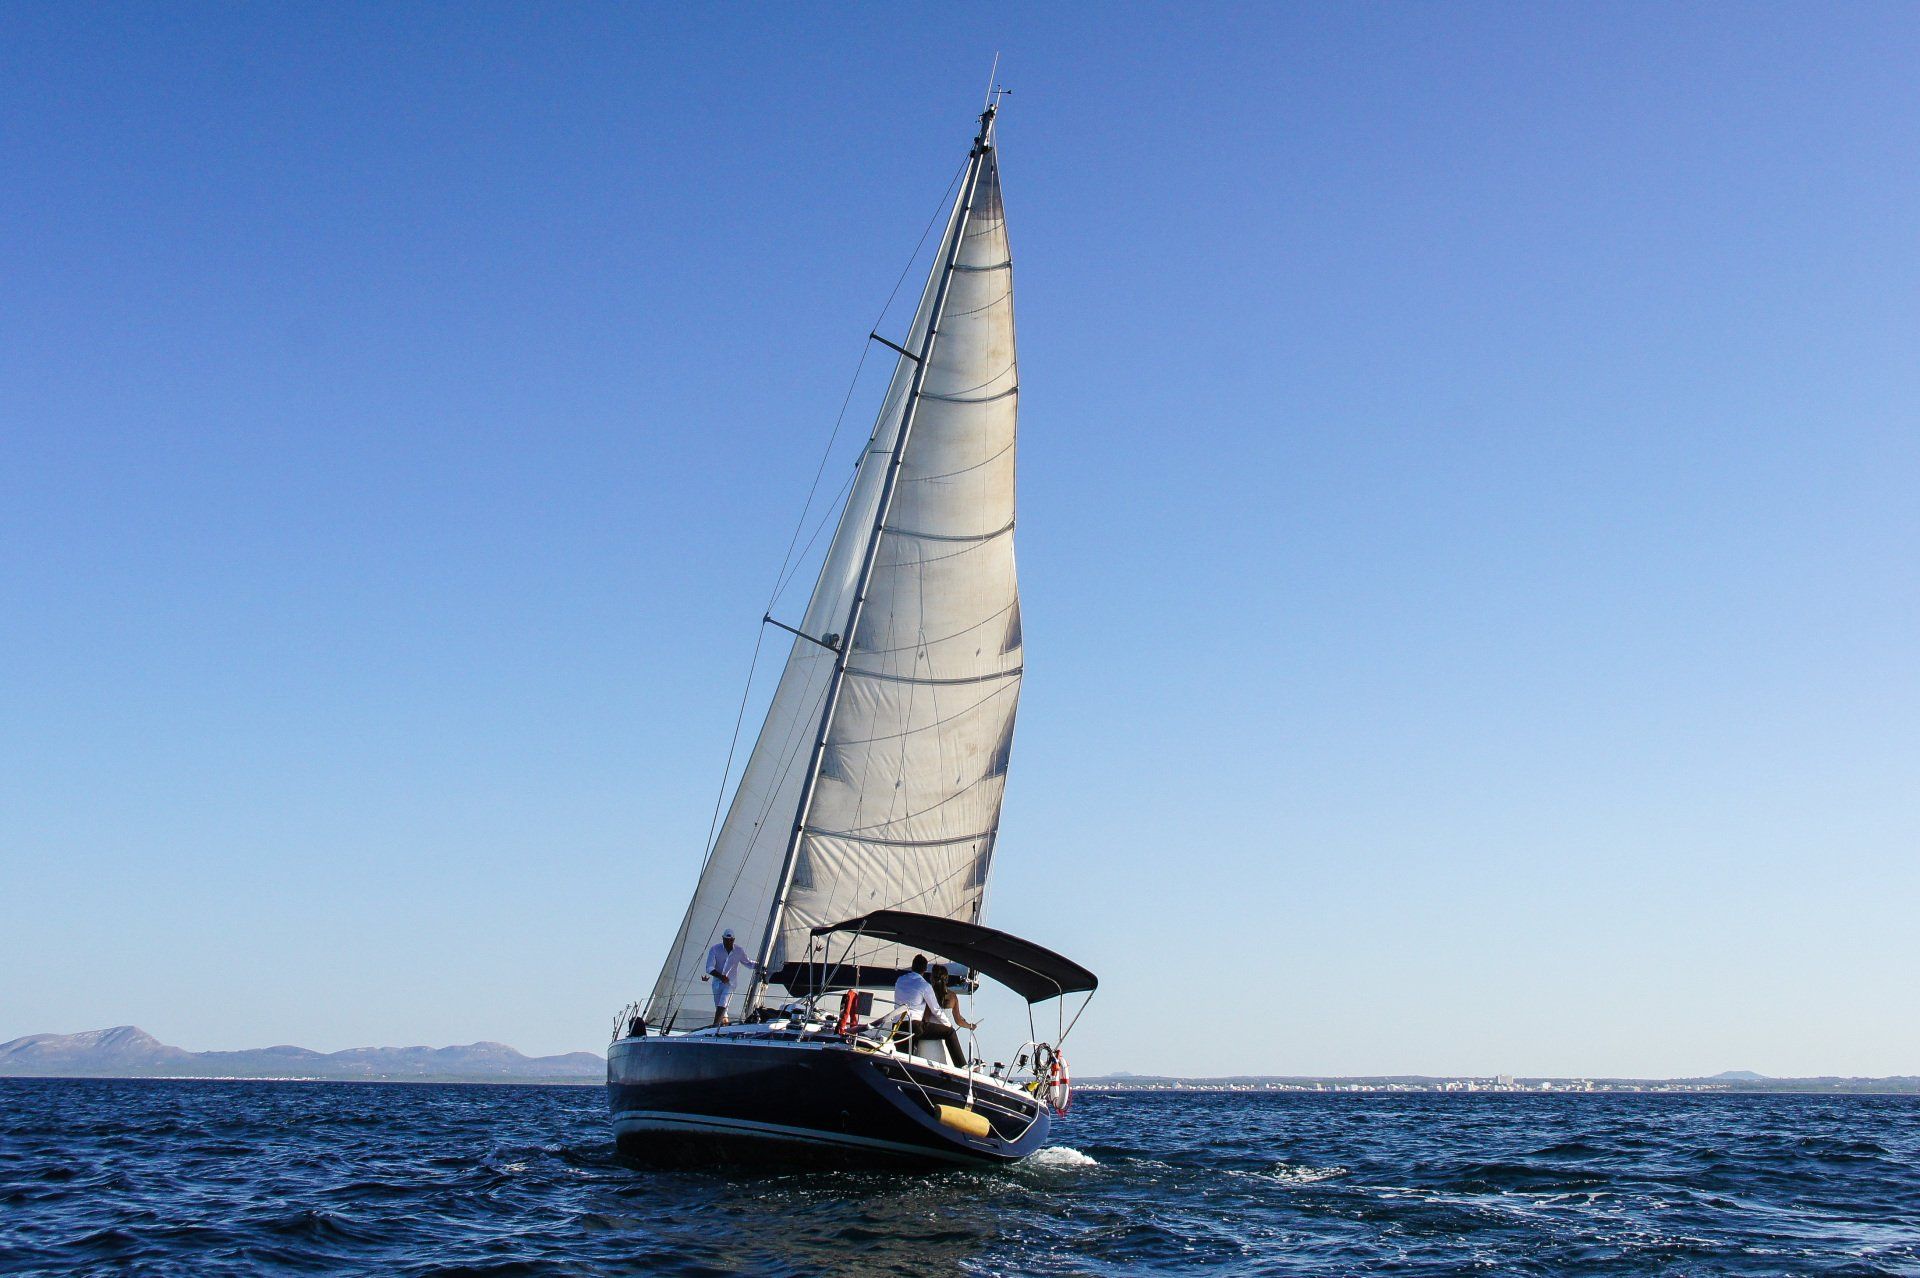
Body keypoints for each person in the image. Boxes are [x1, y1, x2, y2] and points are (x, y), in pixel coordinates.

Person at [892, 954, 966, 1068]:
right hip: (914, 1027)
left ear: (912, 966)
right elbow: (936, 1010)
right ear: (925, 969)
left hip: (896, 1027)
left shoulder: (900, 980)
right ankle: (962, 1066)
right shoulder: (924, 985)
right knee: (950, 1032)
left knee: (904, 1062)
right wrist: (948, 1025)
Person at [701, 929, 760, 1027]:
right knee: (721, 1009)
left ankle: (715, 1025)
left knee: (723, 1002)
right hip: (717, 983)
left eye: (731, 940)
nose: (728, 942)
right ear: (723, 939)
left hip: (730, 983)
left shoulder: (739, 950)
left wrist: (762, 964)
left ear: (733, 940)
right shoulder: (715, 949)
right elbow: (709, 967)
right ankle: (723, 1026)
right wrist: (721, 976)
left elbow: (748, 963)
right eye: (726, 940)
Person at [929, 964, 979, 1033]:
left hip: (930, 1031)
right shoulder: (952, 996)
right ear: (946, 979)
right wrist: (970, 1026)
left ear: (932, 978)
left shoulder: (928, 993)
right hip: (945, 1032)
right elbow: (959, 1021)